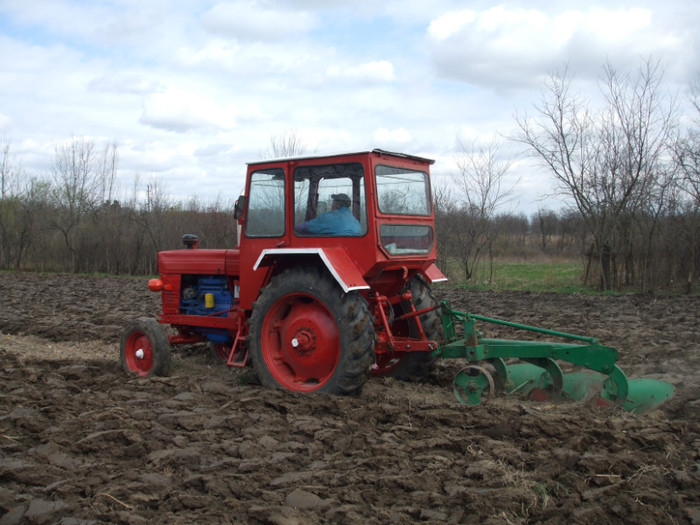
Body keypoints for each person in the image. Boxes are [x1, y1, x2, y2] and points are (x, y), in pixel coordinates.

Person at [295, 193, 362, 236]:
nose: (331, 207)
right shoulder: (355, 221)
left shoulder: (330, 217)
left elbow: (306, 227)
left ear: (337, 205)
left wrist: (293, 229)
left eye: (332, 204)